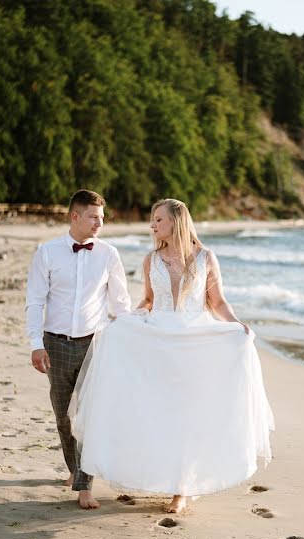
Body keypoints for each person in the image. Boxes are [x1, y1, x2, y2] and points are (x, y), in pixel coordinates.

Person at [68, 198, 274, 514]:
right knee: (163, 413)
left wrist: (235, 325)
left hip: (194, 345)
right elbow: (149, 300)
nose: (152, 225)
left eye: (158, 219)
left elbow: (217, 303)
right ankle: (165, 479)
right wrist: (128, 320)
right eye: (152, 220)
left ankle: (182, 491)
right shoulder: (152, 260)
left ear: (176, 222)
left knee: (188, 416)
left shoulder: (206, 258)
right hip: (160, 344)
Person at [25, 189, 131, 509]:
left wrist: (135, 336)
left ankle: (85, 485)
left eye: (101, 218)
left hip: (94, 346)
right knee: (63, 416)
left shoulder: (109, 254)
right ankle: (75, 469)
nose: (99, 223)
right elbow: (35, 301)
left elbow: (120, 304)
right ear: (75, 217)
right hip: (54, 344)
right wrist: (35, 345)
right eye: (93, 217)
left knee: (88, 416)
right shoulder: (47, 252)